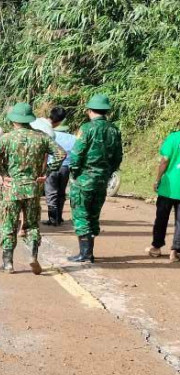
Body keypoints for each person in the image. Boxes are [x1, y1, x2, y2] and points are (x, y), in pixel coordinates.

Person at [0, 103, 66, 274]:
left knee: (8, 225)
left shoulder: (7, 138)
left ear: (14, 120)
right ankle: (33, 255)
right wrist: (47, 172)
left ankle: (8, 263)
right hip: (33, 188)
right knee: (31, 225)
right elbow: (61, 154)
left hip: (11, 188)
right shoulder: (42, 137)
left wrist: (2, 174)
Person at [67, 94, 123, 263]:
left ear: (89, 111)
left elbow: (77, 153)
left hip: (84, 179)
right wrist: (107, 172)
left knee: (81, 214)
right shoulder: (114, 130)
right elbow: (118, 157)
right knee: (93, 215)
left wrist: (75, 172)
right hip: (101, 180)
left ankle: (85, 253)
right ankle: (88, 252)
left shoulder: (86, 128)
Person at [145, 130, 180, 263]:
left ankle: (156, 247)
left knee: (161, 217)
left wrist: (157, 179)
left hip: (168, 187)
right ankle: (175, 252)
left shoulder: (174, 137)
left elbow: (164, 161)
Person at [44, 107, 76, 226]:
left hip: (52, 167)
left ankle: (52, 219)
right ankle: (59, 217)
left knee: (51, 192)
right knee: (61, 192)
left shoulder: (50, 135)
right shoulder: (73, 138)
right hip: (66, 168)